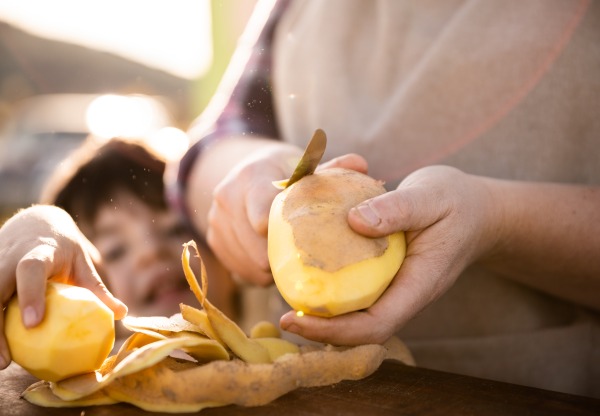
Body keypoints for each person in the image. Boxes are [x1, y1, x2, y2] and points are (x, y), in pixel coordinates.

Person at [169, 0, 600, 397]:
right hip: (303, 390)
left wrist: (495, 217)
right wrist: (250, 165)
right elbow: (212, 143)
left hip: (530, 388)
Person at [0, 136, 238, 364]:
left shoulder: (273, 332)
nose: (151, 252)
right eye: (115, 251)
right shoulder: (78, 385)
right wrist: (39, 223)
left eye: (174, 229)